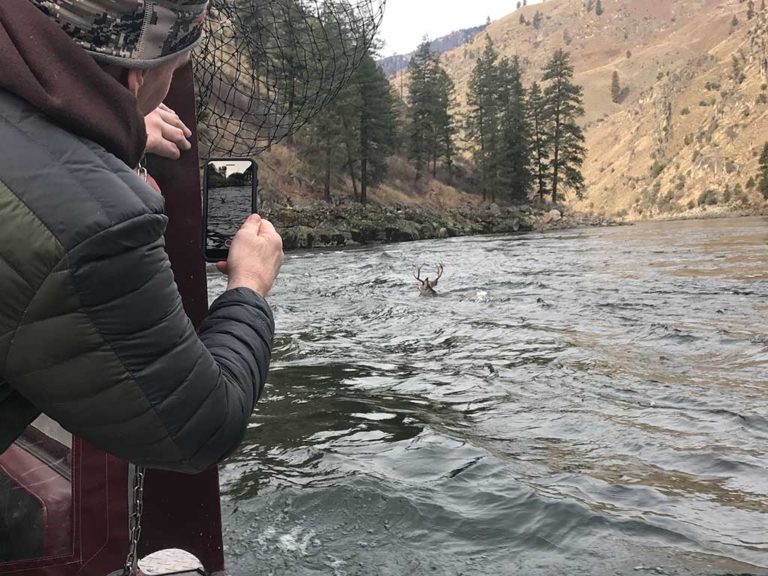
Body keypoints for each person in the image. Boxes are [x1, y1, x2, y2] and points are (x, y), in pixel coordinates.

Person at [0, 0, 284, 474]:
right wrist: (249, 285)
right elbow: (202, 428)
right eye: (174, 68)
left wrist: (121, 127)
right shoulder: (102, 227)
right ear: (136, 77)